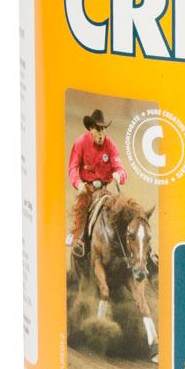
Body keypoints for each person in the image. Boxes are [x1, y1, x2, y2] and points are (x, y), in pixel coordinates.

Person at [68, 109, 126, 258]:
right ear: (91, 129)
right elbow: (72, 168)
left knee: (120, 211)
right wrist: (78, 184)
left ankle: (124, 247)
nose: (101, 133)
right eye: (98, 129)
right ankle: (80, 241)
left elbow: (121, 169)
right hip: (87, 189)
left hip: (105, 190)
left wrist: (119, 175)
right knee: (82, 209)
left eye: (103, 129)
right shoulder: (81, 143)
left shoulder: (110, 145)